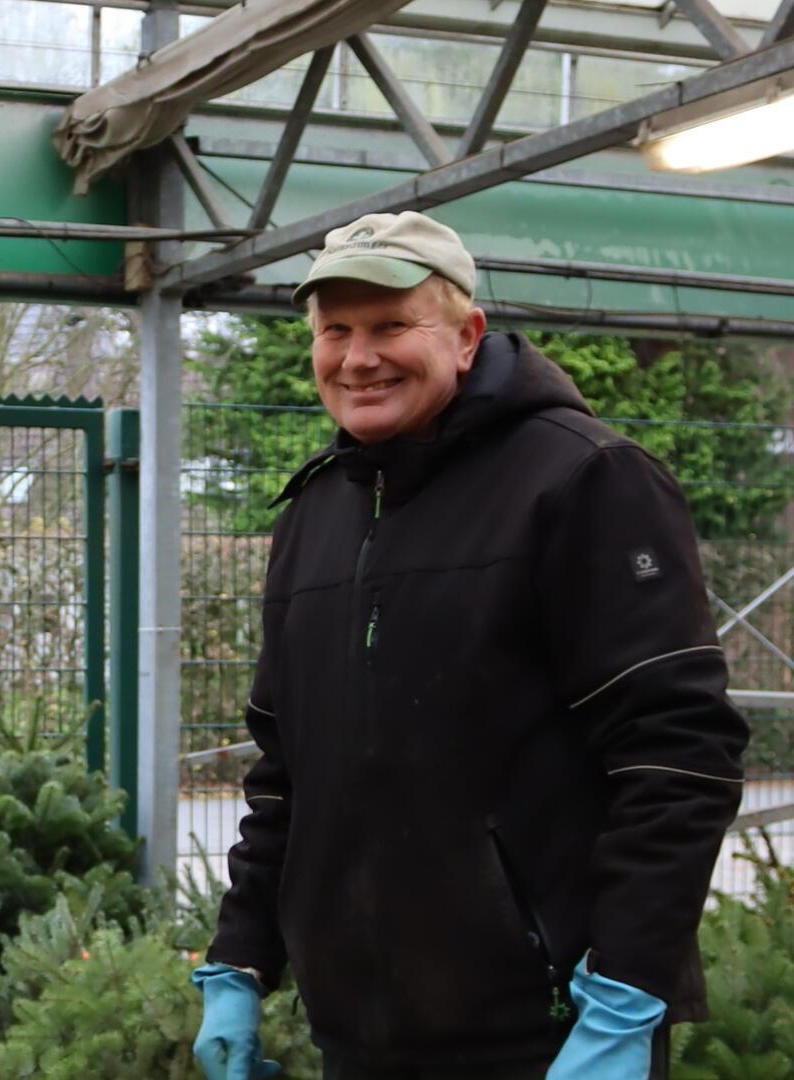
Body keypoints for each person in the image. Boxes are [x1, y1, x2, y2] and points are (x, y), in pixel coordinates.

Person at [189, 212, 748, 1079]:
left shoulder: (583, 480)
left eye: (390, 326)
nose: (358, 357)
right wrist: (241, 959)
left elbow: (679, 754)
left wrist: (629, 990)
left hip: (546, 1032)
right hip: (362, 1033)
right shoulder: (316, 513)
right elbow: (286, 772)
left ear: (465, 335)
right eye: (335, 330)